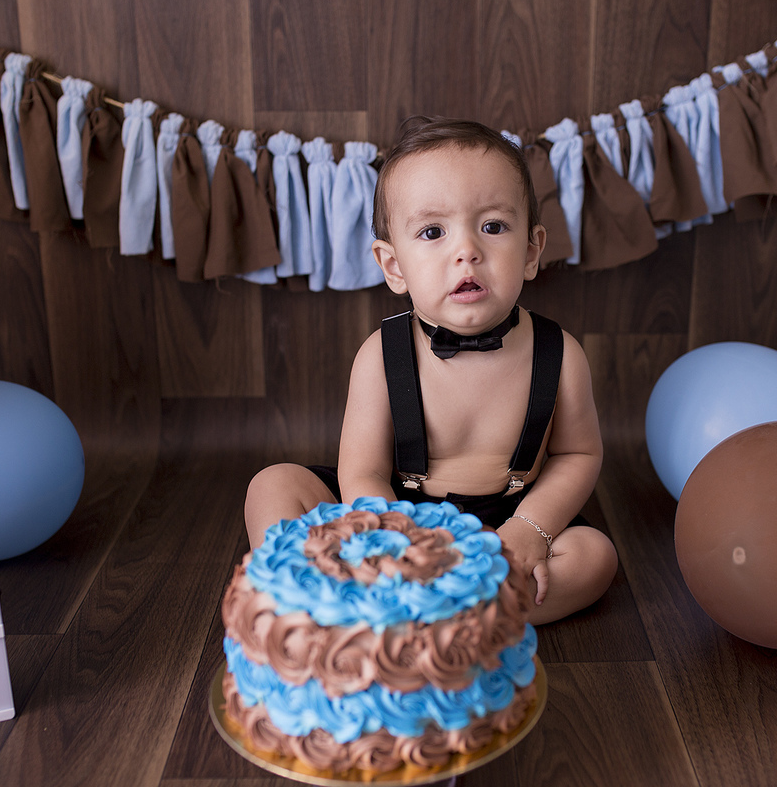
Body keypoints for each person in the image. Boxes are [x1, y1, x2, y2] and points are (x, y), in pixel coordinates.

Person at [245, 117, 618, 624]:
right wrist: (391, 539)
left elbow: (578, 453)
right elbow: (364, 471)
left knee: (595, 557)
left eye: (492, 226)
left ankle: (452, 614)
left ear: (531, 251)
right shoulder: (381, 354)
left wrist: (533, 527)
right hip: (396, 512)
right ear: (394, 266)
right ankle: (322, 596)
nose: (467, 250)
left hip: (507, 522)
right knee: (274, 484)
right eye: (432, 232)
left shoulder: (560, 353)